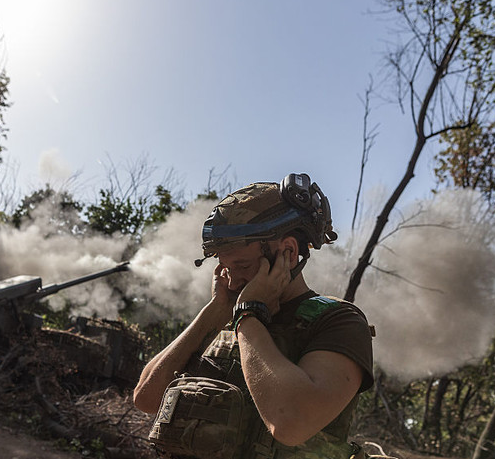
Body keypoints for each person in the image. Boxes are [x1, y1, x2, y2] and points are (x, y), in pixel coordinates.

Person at [133, 173, 374, 459]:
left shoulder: (338, 321)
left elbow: (291, 424)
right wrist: (212, 315)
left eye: (243, 265)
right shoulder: (224, 317)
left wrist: (248, 316)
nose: (233, 281)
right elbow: (146, 398)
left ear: (288, 251)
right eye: (225, 267)